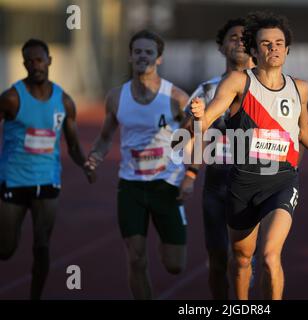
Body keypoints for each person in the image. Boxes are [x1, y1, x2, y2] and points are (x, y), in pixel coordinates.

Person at [190, 12, 308, 300]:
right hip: (242, 184)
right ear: (253, 50)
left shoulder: (300, 88)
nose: (273, 48)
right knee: (240, 260)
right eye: (265, 44)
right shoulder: (238, 82)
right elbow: (209, 117)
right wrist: (199, 117)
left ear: (287, 49)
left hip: (281, 182)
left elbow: (305, 131)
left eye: (278, 43)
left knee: (270, 256)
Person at [84, 30, 190, 300]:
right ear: (130, 56)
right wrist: (95, 155)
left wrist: (189, 172)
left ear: (159, 58)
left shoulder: (176, 98)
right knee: (136, 259)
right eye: (138, 52)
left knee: (175, 265)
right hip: (131, 186)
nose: (143, 56)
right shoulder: (116, 97)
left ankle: (164, 237)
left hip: (167, 186)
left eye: (149, 52)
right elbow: (106, 137)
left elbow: (195, 136)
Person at [0, 39, 94, 299]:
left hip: (47, 180)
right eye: (29, 61)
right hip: (13, 180)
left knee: (41, 245)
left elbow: (73, 144)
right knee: (5, 250)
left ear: (49, 60)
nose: (35, 65)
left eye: (39, 60)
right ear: (24, 64)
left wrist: (85, 164)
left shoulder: (64, 101)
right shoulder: (10, 98)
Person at [179, 17, 255, 299]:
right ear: (221, 48)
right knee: (218, 260)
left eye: (245, 38)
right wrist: (190, 173)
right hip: (216, 183)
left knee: (245, 258)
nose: (238, 42)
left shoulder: (265, 90)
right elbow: (187, 136)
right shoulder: (206, 89)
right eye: (232, 37)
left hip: (254, 181)